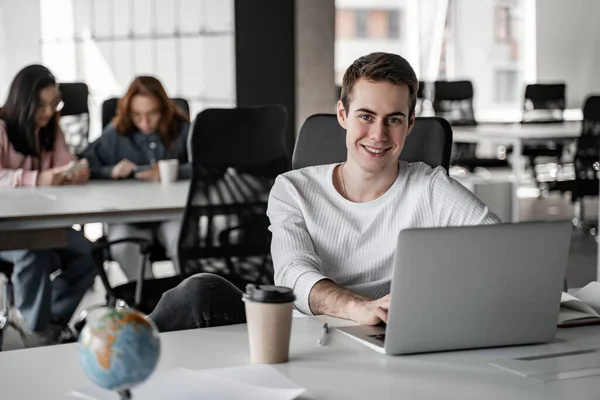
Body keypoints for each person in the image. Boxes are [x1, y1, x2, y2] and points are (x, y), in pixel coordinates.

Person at [147, 52, 501, 332]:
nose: (378, 135)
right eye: (366, 116)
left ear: (410, 124)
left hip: (396, 337)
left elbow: (503, 251)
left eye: (393, 119)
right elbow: (293, 274)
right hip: (308, 338)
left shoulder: (430, 187)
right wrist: (358, 307)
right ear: (343, 115)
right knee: (199, 292)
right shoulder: (293, 189)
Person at [0, 64, 97, 346]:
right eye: (41, 105)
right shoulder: (2, 129)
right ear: (23, 101)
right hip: (8, 230)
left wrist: (76, 170)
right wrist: (37, 178)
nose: (48, 111)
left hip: (42, 224)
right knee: (36, 250)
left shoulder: (49, 128)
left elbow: (64, 164)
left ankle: (44, 321)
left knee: (89, 253)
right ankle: (35, 324)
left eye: (54, 104)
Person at [81, 76, 191, 281]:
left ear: (164, 109)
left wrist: (170, 172)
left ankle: (184, 299)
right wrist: (110, 172)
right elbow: (83, 166)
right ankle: (151, 305)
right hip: (130, 219)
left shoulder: (182, 130)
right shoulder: (116, 133)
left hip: (171, 215)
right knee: (122, 247)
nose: (145, 122)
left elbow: (205, 166)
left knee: (183, 243)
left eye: (152, 114)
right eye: (137, 115)